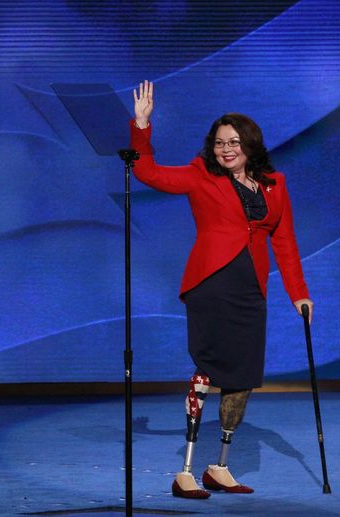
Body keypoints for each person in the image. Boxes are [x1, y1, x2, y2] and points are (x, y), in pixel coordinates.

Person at [130, 80, 313, 498]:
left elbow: (284, 242)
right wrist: (141, 127)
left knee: (244, 376)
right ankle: (186, 472)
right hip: (211, 284)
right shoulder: (200, 176)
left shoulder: (273, 184)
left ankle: (220, 467)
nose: (225, 149)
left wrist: (298, 293)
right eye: (218, 143)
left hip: (251, 289)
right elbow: (148, 172)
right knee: (210, 368)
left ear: (250, 144)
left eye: (233, 142)